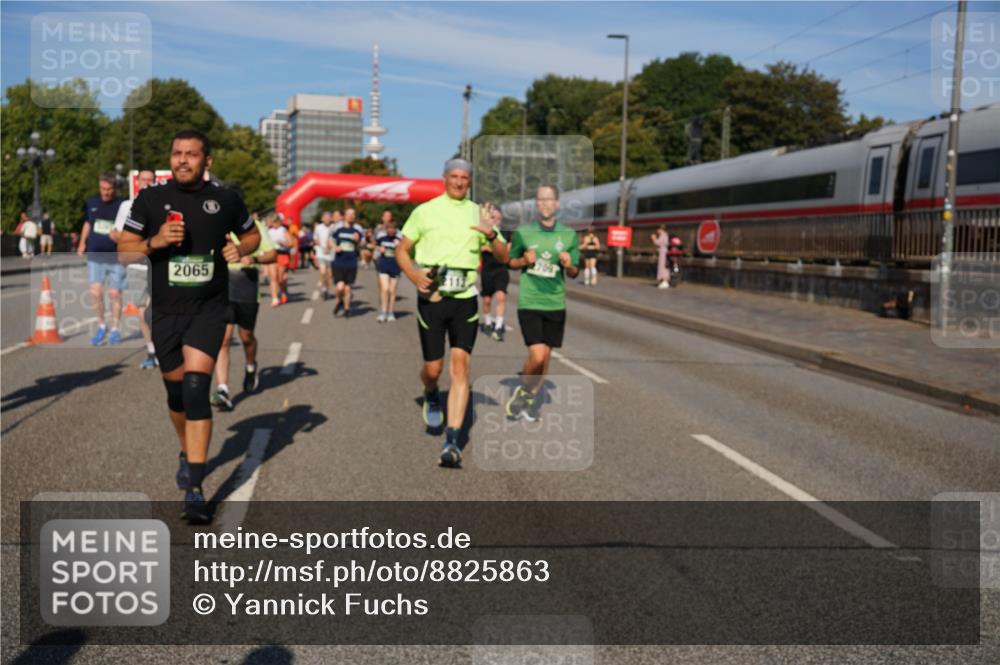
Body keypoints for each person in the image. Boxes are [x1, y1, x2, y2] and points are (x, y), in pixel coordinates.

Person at [117, 129, 260, 524]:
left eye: (191, 154)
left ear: (206, 161)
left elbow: (252, 234)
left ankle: (196, 488)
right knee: (177, 394)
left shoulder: (226, 199)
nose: (182, 160)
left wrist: (241, 248)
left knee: (198, 389)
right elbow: (123, 253)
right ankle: (186, 450)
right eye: (177, 153)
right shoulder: (151, 199)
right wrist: (156, 241)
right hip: (165, 312)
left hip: (208, 309)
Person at [397, 158, 508, 468]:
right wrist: (414, 275)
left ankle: (452, 440)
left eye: (465, 178)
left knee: (460, 369)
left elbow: (503, 254)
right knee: (433, 369)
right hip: (432, 297)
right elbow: (402, 250)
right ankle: (431, 392)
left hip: (465, 300)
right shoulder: (426, 211)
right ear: (444, 178)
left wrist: (490, 235)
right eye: (454, 177)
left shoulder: (479, 214)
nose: (459, 182)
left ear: (470, 182)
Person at [505, 184, 579, 422]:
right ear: (536, 204)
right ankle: (524, 390)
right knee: (536, 356)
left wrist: (569, 266)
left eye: (550, 200)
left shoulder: (569, 235)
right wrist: (523, 260)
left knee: (546, 359)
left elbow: (575, 271)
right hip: (530, 301)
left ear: (557, 204)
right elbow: (511, 262)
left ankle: (528, 401)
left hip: (555, 303)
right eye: (541, 200)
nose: (545, 204)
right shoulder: (523, 233)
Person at [211, 199, 276, 410]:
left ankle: (250, 366)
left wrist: (254, 260)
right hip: (223, 288)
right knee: (223, 338)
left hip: (247, 287)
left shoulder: (254, 228)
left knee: (246, 337)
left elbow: (272, 254)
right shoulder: (217, 225)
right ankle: (223, 389)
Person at [114, 168, 159, 369]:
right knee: (142, 310)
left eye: (151, 180)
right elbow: (118, 234)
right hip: (137, 264)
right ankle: (151, 349)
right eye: (144, 180)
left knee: (161, 307)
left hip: (159, 264)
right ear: (138, 182)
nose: (147, 183)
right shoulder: (127, 206)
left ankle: (165, 346)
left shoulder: (163, 205)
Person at [79, 173, 127, 345]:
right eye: (103, 189)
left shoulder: (122, 205)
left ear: (114, 188)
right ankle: (101, 326)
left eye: (109, 189)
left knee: (114, 293)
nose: (105, 193)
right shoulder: (91, 203)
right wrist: (82, 243)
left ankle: (115, 329)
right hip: (95, 255)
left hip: (116, 256)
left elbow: (129, 228)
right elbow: (88, 223)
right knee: (95, 292)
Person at [479, 205, 510, 341]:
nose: (496, 220)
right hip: (487, 270)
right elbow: (479, 247)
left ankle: (498, 327)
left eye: (498, 218)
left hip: (501, 269)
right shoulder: (483, 231)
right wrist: (495, 248)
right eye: (493, 217)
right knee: (486, 300)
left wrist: (490, 248)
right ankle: (487, 322)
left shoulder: (505, 232)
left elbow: (506, 251)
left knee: (501, 297)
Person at [330, 207, 364, 317]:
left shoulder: (358, 229)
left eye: (353, 214)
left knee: (348, 287)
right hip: (339, 261)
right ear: (344, 216)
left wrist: (358, 240)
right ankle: (340, 300)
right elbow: (330, 240)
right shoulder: (337, 228)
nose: (351, 216)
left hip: (351, 261)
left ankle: (347, 308)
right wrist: (335, 247)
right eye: (349, 214)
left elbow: (363, 244)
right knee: (340, 287)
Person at [374, 210, 402, 322]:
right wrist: (378, 249)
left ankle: (391, 312)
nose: (391, 231)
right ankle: (383, 312)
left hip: (395, 266)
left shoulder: (399, 239)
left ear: (395, 230)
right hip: (383, 265)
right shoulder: (381, 237)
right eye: (389, 229)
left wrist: (399, 247)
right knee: (385, 289)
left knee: (392, 290)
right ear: (386, 230)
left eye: (393, 229)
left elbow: (406, 251)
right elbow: (374, 245)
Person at [266, 213, 291, 306]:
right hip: (272, 255)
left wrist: (283, 243)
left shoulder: (283, 230)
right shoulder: (268, 231)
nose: (274, 223)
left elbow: (290, 243)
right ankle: (275, 298)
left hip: (282, 254)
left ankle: (283, 291)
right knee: (273, 277)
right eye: (273, 222)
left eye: (276, 221)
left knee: (281, 278)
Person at [314, 211, 334, 300]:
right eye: (325, 218)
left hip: (331, 253)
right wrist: (322, 247)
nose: (327, 219)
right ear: (322, 219)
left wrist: (330, 247)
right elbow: (315, 239)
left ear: (331, 219)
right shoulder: (318, 227)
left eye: (328, 217)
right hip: (321, 252)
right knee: (322, 272)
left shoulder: (334, 227)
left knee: (329, 274)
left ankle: (327, 289)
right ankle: (324, 289)